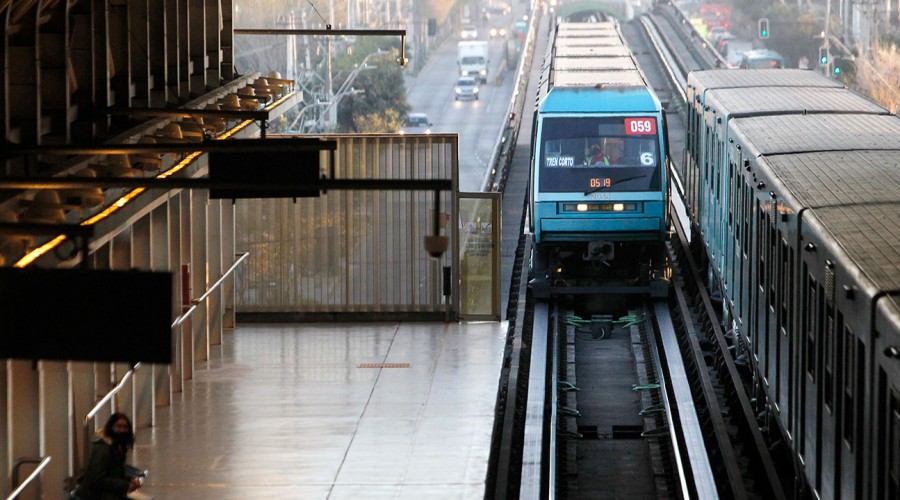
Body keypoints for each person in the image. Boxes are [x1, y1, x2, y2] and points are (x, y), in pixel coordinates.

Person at [75, 413, 142, 500]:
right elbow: (98, 478)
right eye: (118, 426)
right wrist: (125, 485)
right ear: (111, 427)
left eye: (125, 427)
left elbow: (113, 473)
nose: (122, 430)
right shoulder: (103, 449)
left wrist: (128, 480)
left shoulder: (117, 446)